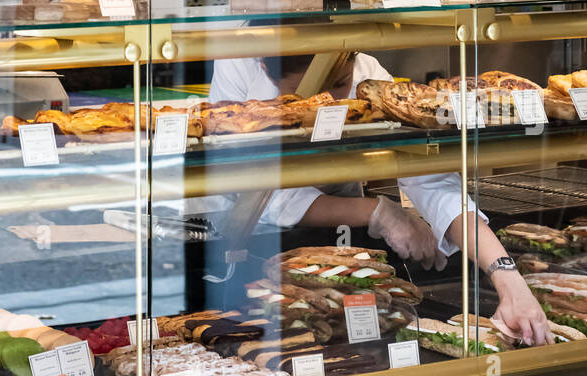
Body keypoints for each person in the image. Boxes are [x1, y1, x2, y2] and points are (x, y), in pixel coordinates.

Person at [210, 51, 553, 347]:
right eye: (314, 92)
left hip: (344, 244)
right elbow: (259, 190)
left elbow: (432, 181)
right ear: (267, 71)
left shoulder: (370, 79)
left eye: (340, 82)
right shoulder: (239, 67)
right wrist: (379, 213)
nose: (331, 100)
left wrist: (508, 279)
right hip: (256, 246)